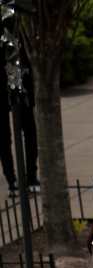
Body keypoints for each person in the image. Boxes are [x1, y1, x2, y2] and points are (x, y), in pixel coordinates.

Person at [0, 45, 38, 194]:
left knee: (28, 129)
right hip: (12, 66)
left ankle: (28, 177)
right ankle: (13, 179)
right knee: (5, 136)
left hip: (16, 68)